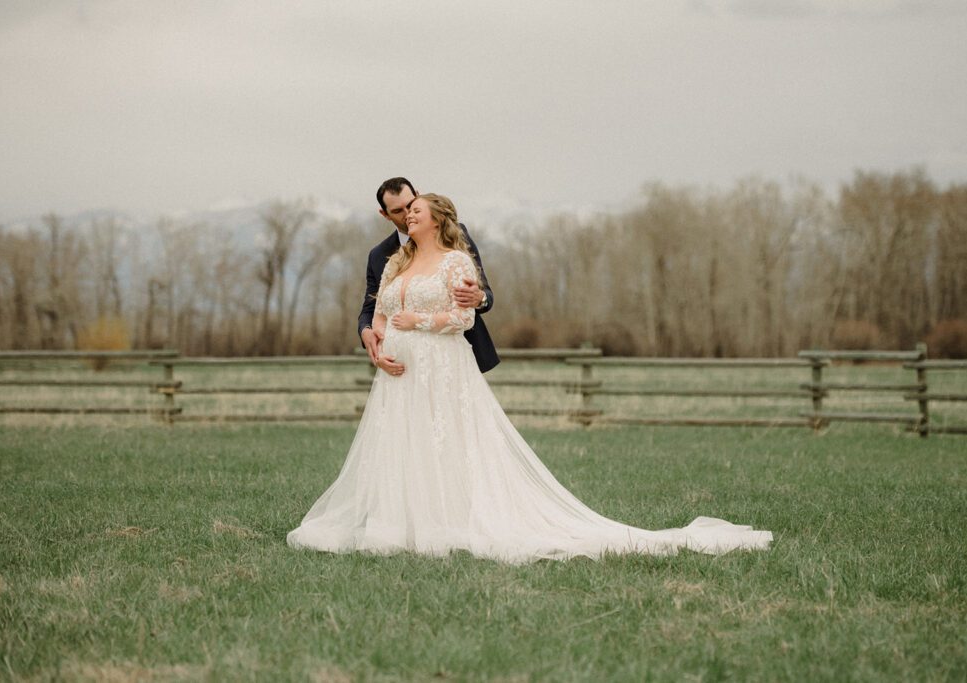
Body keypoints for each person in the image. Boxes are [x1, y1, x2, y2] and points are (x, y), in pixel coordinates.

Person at [287, 193, 772, 563]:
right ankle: (395, 524)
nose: (407, 217)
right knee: (402, 444)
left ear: (437, 218)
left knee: (447, 442)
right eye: (402, 211)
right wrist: (377, 341)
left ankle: (449, 521)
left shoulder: (457, 261)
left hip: (441, 366)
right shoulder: (396, 261)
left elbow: (466, 318)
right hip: (397, 372)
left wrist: (422, 323)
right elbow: (378, 310)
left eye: (415, 209)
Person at [358, 177, 498, 376]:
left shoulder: (457, 236)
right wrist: (367, 331)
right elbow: (370, 308)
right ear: (385, 214)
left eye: (411, 206)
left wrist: (480, 298)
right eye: (398, 211)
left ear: (417, 195)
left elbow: (485, 293)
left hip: (451, 359)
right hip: (400, 366)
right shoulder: (380, 255)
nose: (407, 214)